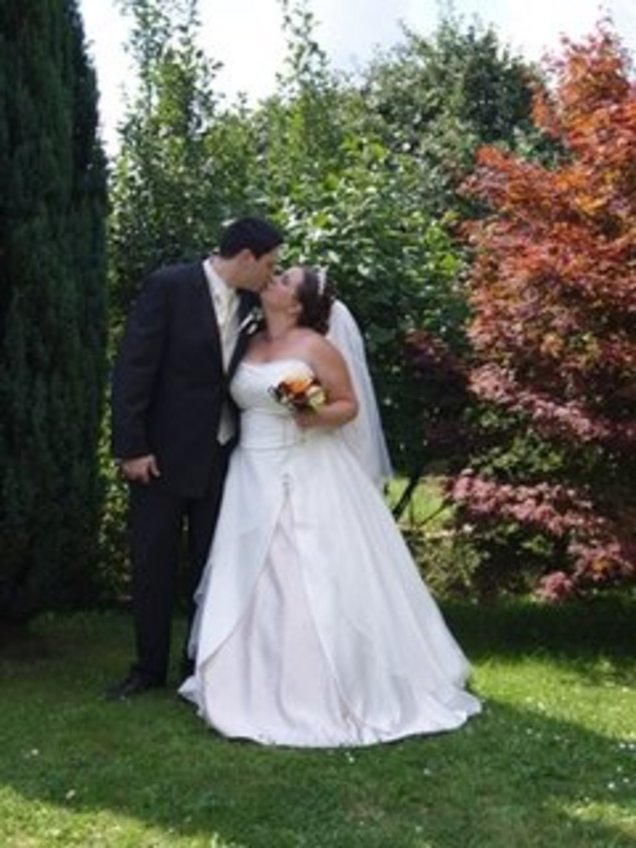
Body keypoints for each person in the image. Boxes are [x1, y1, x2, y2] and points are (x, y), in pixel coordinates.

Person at [179, 266, 481, 746]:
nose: (274, 280)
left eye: (285, 280)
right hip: (249, 472)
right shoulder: (249, 340)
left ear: (296, 304)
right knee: (248, 574)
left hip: (305, 469)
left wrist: (312, 414)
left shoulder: (316, 347)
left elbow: (347, 405)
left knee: (303, 573)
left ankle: (317, 687)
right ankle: (240, 680)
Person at [107, 216, 284, 700]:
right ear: (245, 257)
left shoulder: (254, 303)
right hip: (159, 457)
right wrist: (132, 447)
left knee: (211, 566)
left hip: (224, 456)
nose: (272, 274)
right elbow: (133, 368)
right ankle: (147, 668)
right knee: (153, 564)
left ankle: (199, 665)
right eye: (269, 264)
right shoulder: (169, 287)